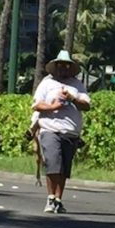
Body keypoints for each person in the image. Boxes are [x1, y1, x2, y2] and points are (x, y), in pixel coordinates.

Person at [32, 50, 91, 214]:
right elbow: (37, 105)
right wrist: (53, 107)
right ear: (56, 66)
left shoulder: (77, 85)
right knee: (53, 162)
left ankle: (58, 199)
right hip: (50, 128)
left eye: (66, 65)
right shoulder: (47, 83)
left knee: (64, 167)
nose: (63, 68)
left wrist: (72, 98)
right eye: (60, 65)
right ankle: (50, 197)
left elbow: (86, 105)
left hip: (70, 131)